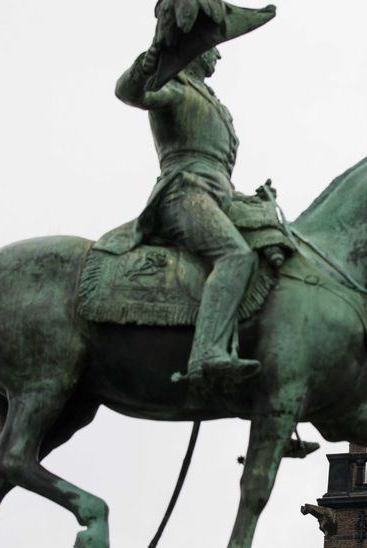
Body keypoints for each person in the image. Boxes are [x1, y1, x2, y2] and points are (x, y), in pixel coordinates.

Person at [116, 46, 261, 386]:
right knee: (236, 256)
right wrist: (145, 66)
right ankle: (207, 355)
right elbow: (129, 92)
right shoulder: (175, 85)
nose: (219, 57)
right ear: (194, 49)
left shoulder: (213, 102)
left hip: (219, 196)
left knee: (277, 245)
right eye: (213, 47)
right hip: (183, 193)